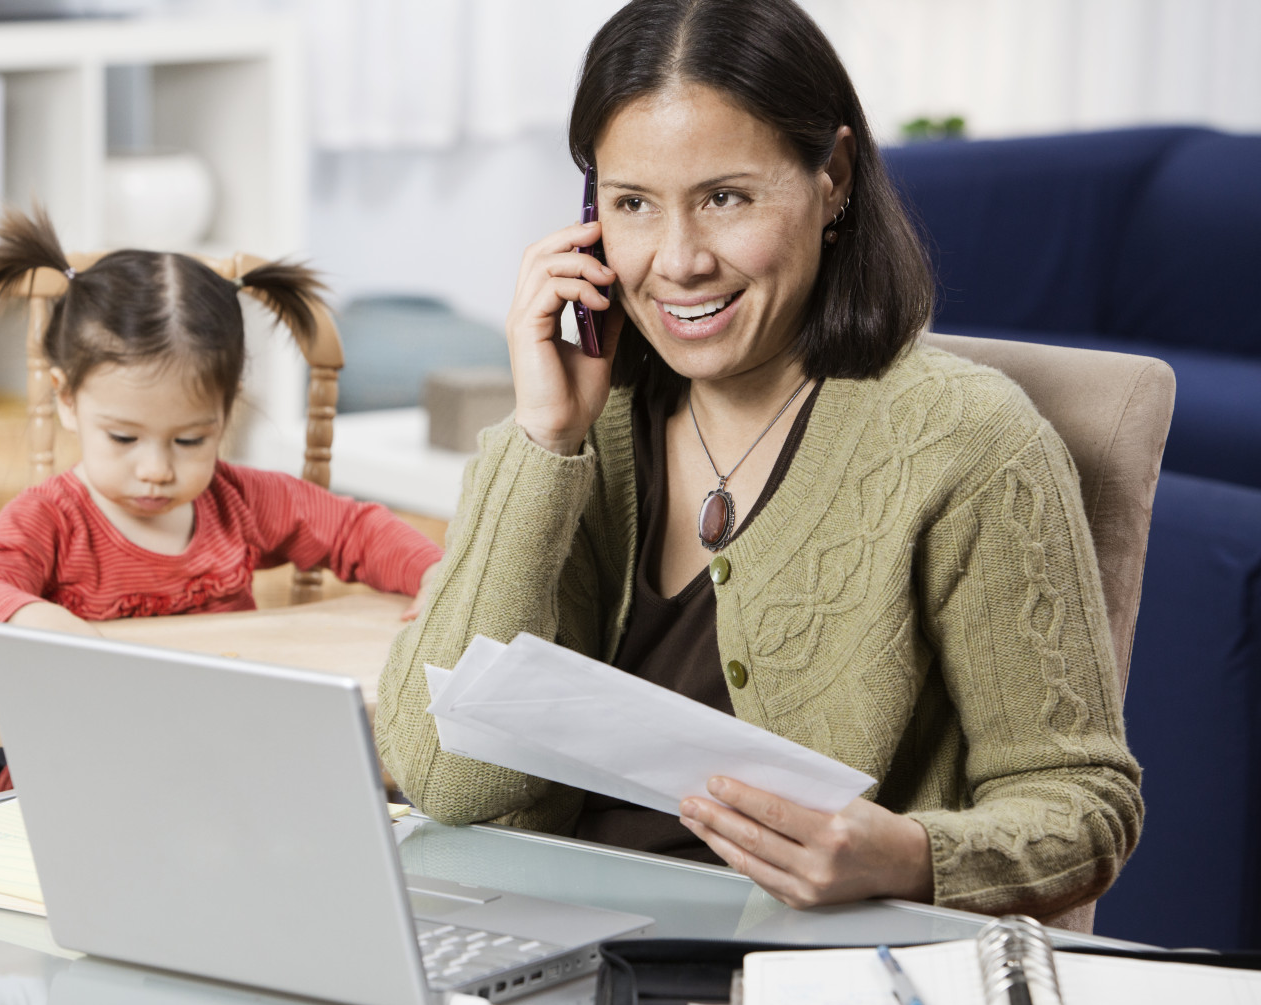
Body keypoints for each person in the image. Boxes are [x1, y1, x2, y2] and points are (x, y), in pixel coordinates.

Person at [375, 0, 1141, 920]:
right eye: (632, 206)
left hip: (801, 974)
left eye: (725, 198)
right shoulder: (586, 425)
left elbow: (1083, 805)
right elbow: (437, 777)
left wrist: (905, 854)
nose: (678, 260)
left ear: (834, 180)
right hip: (532, 940)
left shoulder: (968, 442)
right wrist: (545, 439)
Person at [0, 207, 442, 662]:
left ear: (225, 411)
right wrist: (34, 622)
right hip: (90, 750)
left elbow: (356, 530)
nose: (156, 470)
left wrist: (429, 572)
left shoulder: (239, 503)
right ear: (66, 399)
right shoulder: (51, 521)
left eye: (189, 441)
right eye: (122, 438)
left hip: (221, 742)